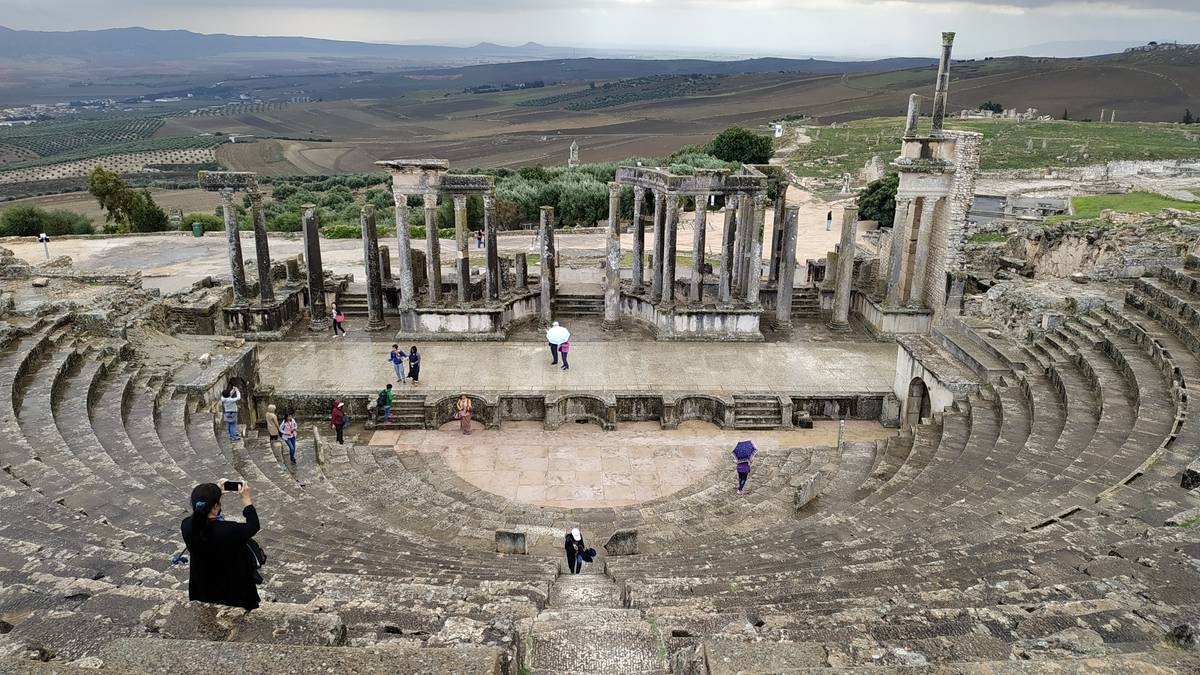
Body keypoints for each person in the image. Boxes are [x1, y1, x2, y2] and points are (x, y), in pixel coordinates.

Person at [180, 481, 260, 610]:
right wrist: (246, 499)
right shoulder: (230, 530)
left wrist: (215, 497)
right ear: (216, 505)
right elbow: (254, 525)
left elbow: (203, 520)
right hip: (233, 586)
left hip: (203, 584)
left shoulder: (186, 525)